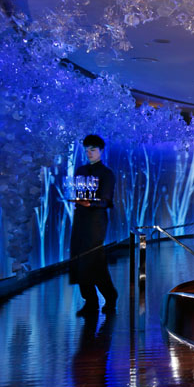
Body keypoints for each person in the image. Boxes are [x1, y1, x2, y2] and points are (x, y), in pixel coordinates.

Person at [70, 134, 118, 316]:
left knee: (93, 260)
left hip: (96, 221)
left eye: (93, 149)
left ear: (101, 151)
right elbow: (76, 193)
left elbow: (106, 200)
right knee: (79, 259)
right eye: (87, 150)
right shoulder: (81, 170)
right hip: (81, 219)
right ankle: (90, 301)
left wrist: (90, 203)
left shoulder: (106, 173)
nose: (89, 153)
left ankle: (110, 295)